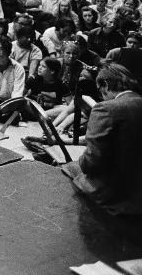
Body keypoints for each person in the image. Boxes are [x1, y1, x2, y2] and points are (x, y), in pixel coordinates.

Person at [61, 64, 142, 217]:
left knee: (69, 167)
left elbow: (90, 163)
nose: (102, 97)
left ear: (104, 85)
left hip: (113, 193)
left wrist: (81, 159)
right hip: (137, 188)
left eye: (100, 92)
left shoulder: (105, 108)